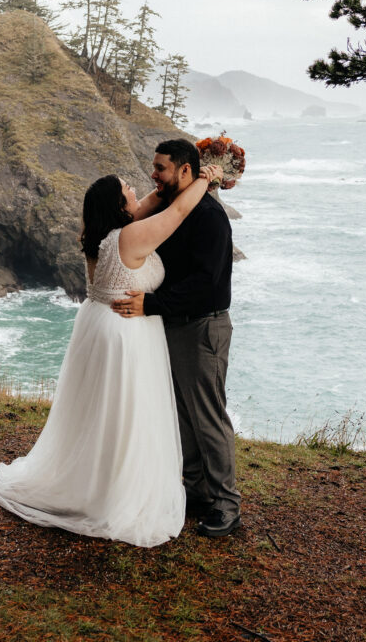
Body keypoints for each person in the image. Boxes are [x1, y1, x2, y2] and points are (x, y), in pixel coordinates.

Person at [0, 162, 221, 547]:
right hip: (124, 332)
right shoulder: (129, 238)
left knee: (99, 413)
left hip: (98, 326)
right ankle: (116, 492)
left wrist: (171, 182)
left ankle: (95, 481)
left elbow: (149, 202)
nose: (136, 189)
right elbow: (177, 212)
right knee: (126, 412)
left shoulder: (99, 236)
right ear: (118, 206)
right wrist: (205, 178)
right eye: (127, 188)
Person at [112, 138, 241, 538]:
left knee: (207, 417)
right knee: (182, 413)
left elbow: (206, 284)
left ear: (186, 170)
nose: (154, 173)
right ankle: (196, 490)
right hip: (176, 323)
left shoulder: (209, 216)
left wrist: (151, 303)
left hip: (203, 327)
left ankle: (226, 505)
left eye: (161, 167)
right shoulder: (174, 204)